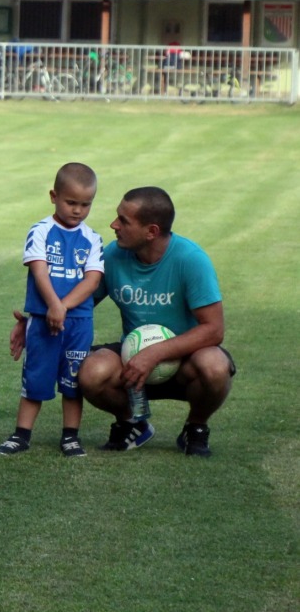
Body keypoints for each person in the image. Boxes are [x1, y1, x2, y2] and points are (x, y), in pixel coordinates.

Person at [73, 187, 234, 457]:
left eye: (123, 221)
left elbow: (214, 329)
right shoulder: (113, 256)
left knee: (215, 366)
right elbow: (80, 303)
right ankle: (133, 422)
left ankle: (196, 427)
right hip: (131, 363)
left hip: (186, 363)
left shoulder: (190, 259)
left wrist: (154, 353)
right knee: (92, 372)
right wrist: (35, 321)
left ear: (152, 231)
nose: (114, 225)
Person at [0, 163, 103, 457]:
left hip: (78, 322)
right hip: (42, 320)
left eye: (86, 204)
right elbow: (39, 270)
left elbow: (92, 280)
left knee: (73, 381)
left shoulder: (93, 238)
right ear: (54, 196)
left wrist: (64, 307)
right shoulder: (41, 231)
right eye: (71, 202)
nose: (78, 210)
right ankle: (21, 435)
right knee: (36, 378)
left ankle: (70, 437)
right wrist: (53, 306)